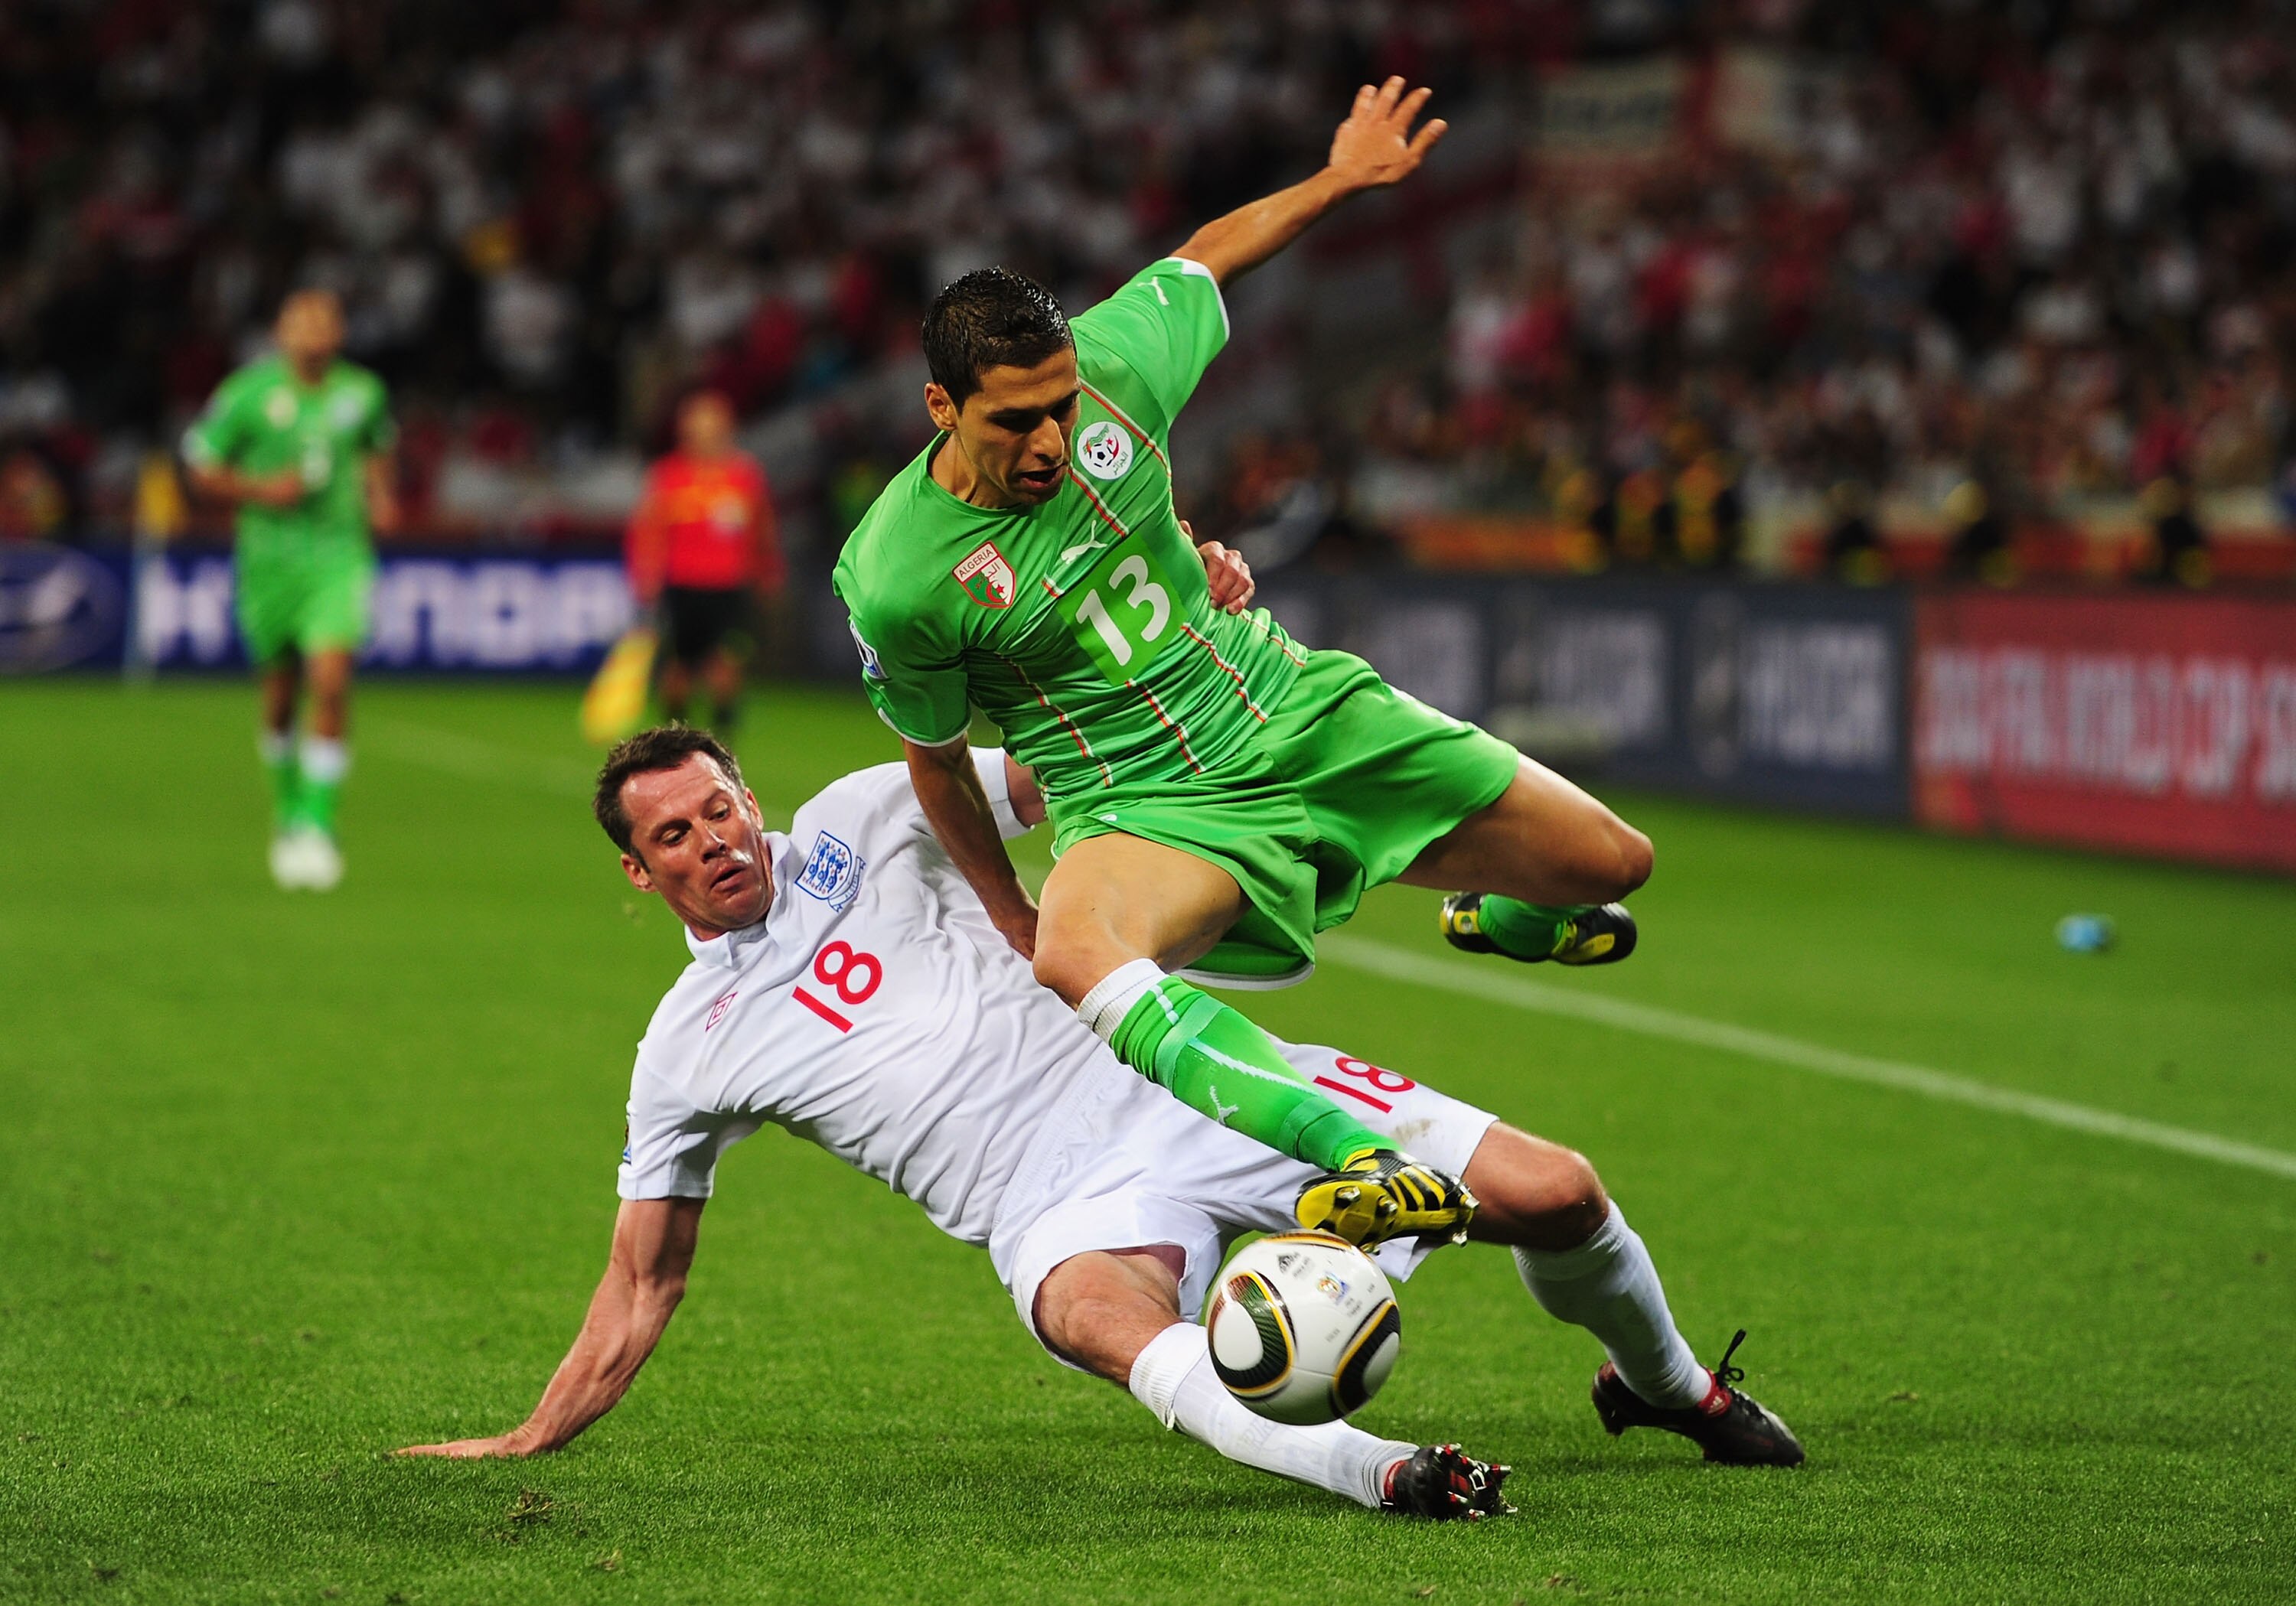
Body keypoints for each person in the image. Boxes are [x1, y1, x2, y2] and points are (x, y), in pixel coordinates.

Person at [393, 727, 1804, 1511]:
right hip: (1051, 1211)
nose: (716, 839)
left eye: (720, 805)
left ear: (750, 794)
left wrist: (1183, 651)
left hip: (1182, 1073)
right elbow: (646, 1274)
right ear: (642, 876)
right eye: (677, 835)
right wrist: (531, 1435)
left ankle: (1670, 1385)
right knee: (1095, 1318)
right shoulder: (685, 1052)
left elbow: (1071, 766)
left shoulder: (868, 810)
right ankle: (1387, 1472)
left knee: (1560, 1191)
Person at [832, 80, 1652, 1246]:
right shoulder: (900, 576)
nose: (1052, 442)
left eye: (1061, 407)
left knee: (1616, 863)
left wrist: (1340, 177)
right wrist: (1012, 912)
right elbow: (938, 763)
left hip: (1287, 701)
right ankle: (1357, 1154)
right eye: (1015, 421)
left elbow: (1208, 258)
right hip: (1141, 800)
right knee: (1076, 949)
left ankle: (1495, 912)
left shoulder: (1113, 369)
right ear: (939, 407)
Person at [181, 288, 397, 891]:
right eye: (301, 323)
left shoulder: (363, 394)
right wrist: (259, 489)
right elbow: (200, 463)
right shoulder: (248, 394)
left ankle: (318, 824)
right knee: (279, 694)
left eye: (325, 322)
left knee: (330, 680)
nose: (314, 333)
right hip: (268, 564)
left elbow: (377, 449)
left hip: (338, 557)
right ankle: (287, 807)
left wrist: (380, 497)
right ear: (281, 332)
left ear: (339, 332)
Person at [625, 389, 783, 734]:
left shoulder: (744, 477)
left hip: (730, 587)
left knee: (726, 667)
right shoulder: (669, 476)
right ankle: (674, 740)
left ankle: (721, 746)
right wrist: (645, 580)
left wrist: (769, 574)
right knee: (677, 671)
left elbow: (763, 531)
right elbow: (648, 532)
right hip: (682, 586)